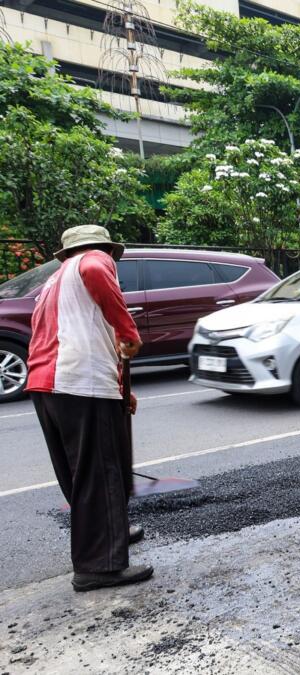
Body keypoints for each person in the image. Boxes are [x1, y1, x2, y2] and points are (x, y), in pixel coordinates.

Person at [26, 225, 152, 591]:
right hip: (78, 382)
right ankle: (99, 566)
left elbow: (83, 333)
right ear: (106, 249)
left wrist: (119, 389)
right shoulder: (95, 260)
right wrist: (129, 333)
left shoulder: (54, 281)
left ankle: (108, 535)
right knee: (100, 472)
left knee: (81, 475)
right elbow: (99, 274)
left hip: (47, 385)